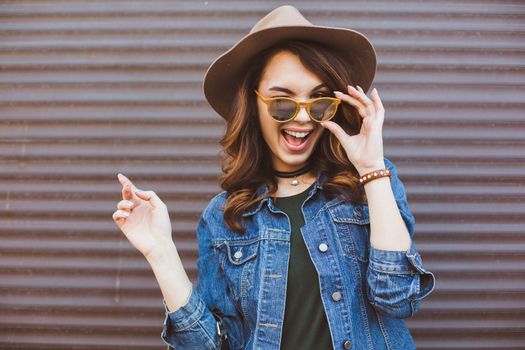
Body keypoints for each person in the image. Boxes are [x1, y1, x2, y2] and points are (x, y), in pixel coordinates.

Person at [112, 5, 435, 350]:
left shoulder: (368, 185)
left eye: (318, 102)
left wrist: (371, 168)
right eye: (282, 102)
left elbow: (398, 298)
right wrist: (161, 252)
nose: (303, 118)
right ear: (253, 105)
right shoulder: (225, 217)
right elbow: (211, 346)